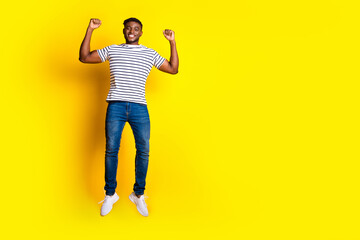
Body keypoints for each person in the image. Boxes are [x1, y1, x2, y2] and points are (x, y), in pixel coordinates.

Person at [79, 17, 179, 217]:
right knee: (111, 150)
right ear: (123, 31)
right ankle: (110, 194)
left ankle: (138, 194)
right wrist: (90, 29)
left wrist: (172, 42)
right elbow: (84, 57)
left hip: (139, 107)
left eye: (136, 29)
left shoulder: (149, 53)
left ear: (141, 32)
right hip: (115, 105)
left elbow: (173, 69)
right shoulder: (113, 50)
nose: (131, 31)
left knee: (143, 150)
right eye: (128, 28)